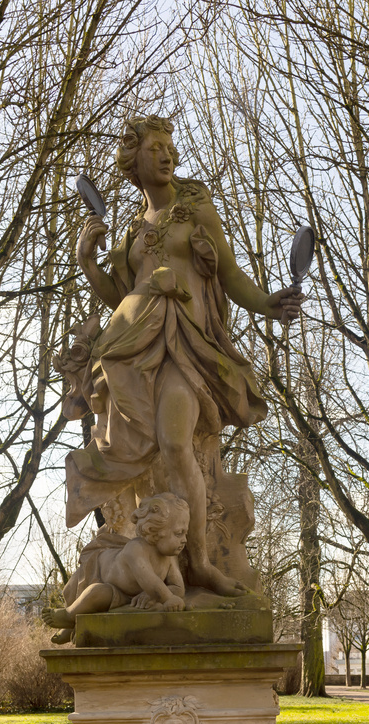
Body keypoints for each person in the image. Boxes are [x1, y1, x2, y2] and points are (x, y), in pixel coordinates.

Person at [64, 115, 303, 598]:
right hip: (134, 351)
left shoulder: (196, 208)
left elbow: (231, 274)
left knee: (175, 443)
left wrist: (266, 303)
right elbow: (123, 298)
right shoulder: (132, 232)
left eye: (170, 147)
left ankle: (199, 564)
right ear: (133, 162)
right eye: (155, 149)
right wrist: (88, 262)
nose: (168, 155)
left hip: (187, 346)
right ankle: (146, 561)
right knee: (144, 456)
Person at [43, 493, 189, 641]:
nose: (184, 540)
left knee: (100, 594)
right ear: (155, 530)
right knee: (93, 592)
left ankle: (72, 621)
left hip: (124, 596)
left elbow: (177, 587)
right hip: (100, 570)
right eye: (179, 533)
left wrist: (152, 595)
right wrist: (167, 597)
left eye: (185, 533)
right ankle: (68, 616)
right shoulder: (136, 549)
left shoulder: (170, 556)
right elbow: (150, 581)